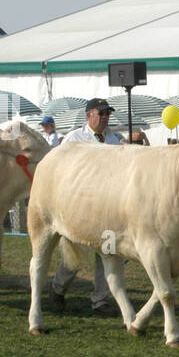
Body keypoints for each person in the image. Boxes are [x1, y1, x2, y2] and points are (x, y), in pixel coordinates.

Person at [51, 98, 123, 317]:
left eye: (107, 114)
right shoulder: (74, 139)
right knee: (75, 254)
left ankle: (100, 300)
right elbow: (59, 169)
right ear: (88, 115)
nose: (105, 118)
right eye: (100, 114)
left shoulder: (115, 139)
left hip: (108, 209)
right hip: (80, 207)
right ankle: (58, 289)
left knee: (109, 253)